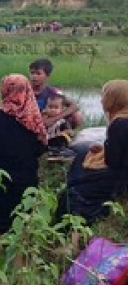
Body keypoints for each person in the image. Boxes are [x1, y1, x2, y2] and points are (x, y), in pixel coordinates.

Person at [55, 79, 128, 228]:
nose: (101, 100)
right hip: (122, 173)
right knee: (83, 157)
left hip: (122, 180)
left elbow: (113, 162)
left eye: (105, 95)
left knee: (74, 192)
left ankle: (71, 231)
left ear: (114, 99)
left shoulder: (119, 124)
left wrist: (101, 154)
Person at [0, 74, 47, 236]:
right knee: (23, 218)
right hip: (26, 177)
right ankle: (21, 250)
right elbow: (41, 148)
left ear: (4, 91)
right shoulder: (33, 119)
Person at [29, 58, 82, 129]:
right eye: (32, 73)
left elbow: (75, 106)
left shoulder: (53, 91)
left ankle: (64, 134)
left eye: (38, 73)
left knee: (77, 116)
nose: (34, 76)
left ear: (47, 76)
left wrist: (53, 119)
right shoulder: (24, 90)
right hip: (30, 121)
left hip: (47, 124)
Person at [42, 92, 74, 157]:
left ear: (61, 109)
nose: (53, 110)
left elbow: (70, 131)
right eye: (50, 107)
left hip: (58, 139)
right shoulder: (44, 119)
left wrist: (64, 132)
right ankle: (51, 150)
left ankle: (61, 150)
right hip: (48, 140)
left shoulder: (62, 121)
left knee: (61, 138)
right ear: (46, 108)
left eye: (56, 108)